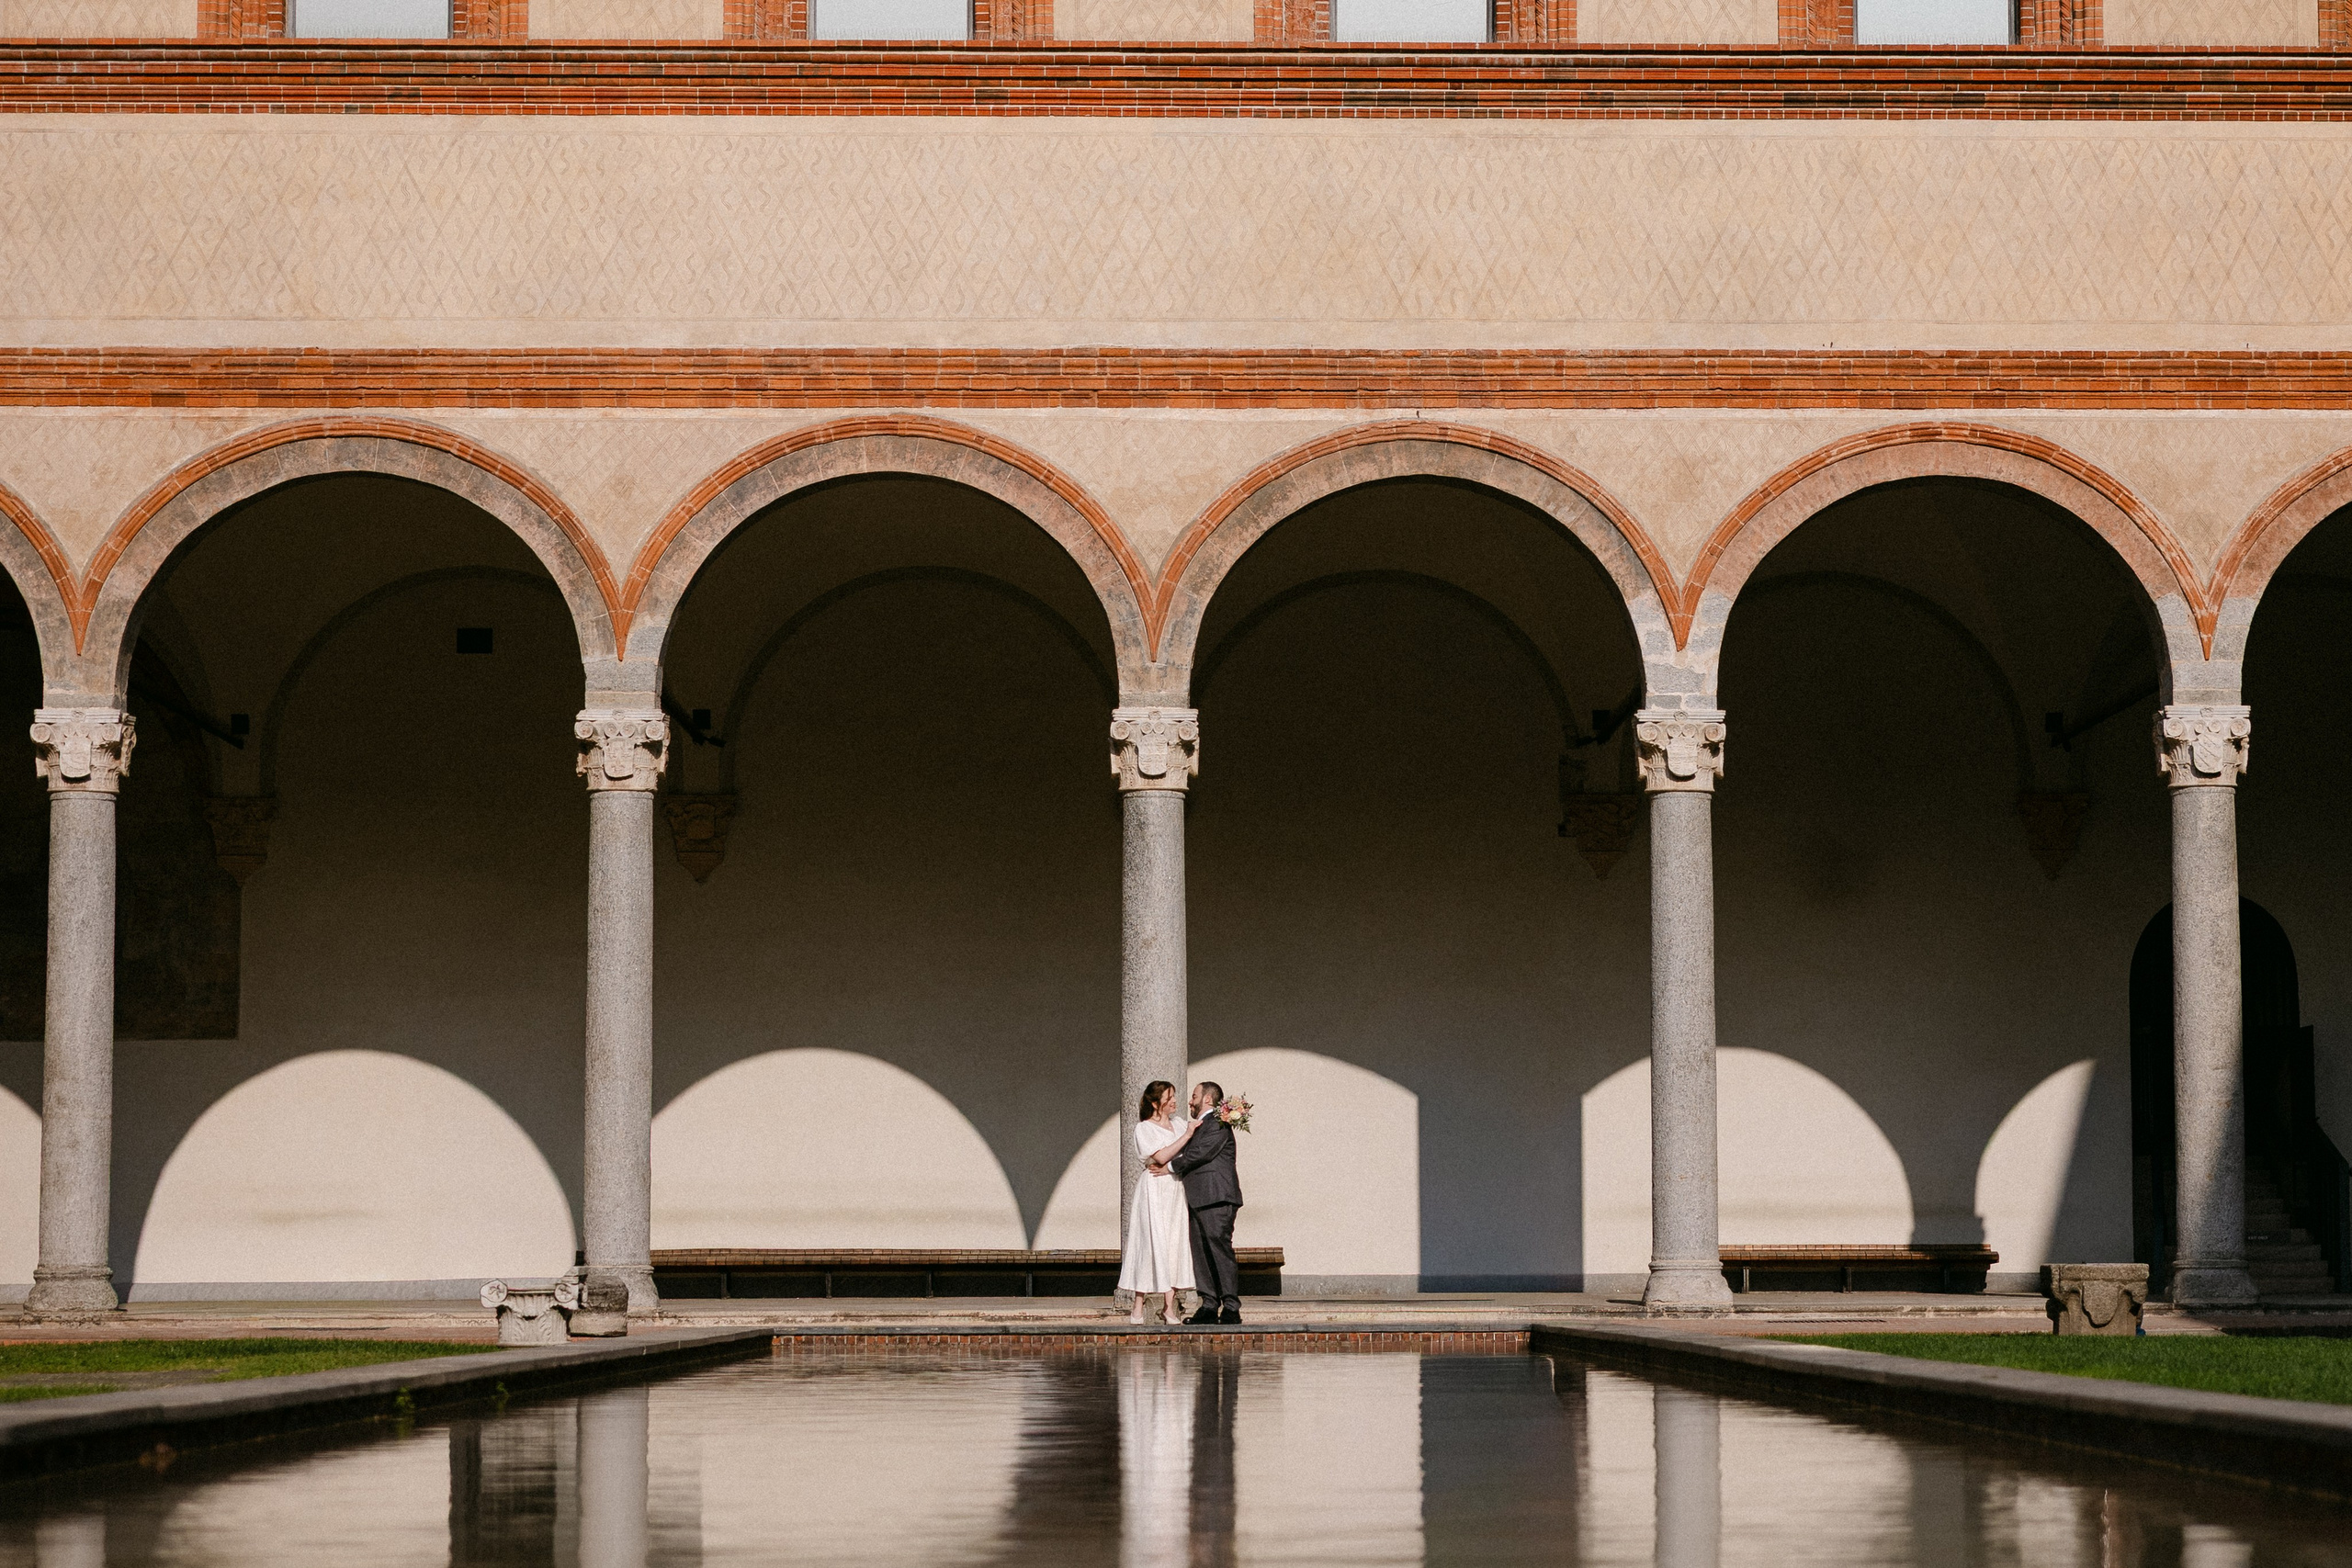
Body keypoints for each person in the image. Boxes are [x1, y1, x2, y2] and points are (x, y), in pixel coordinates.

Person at [1161, 1080, 1243, 1325]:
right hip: (1197, 1198)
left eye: (1194, 1096)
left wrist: (1170, 1166)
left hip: (1217, 1196)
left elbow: (1200, 1153)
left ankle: (1231, 1307)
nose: (1190, 1101)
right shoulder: (1198, 1126)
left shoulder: (1218, 1123)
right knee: (1200, 1252)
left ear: (1207, 1099)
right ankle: (1208, 1304)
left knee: (1219, 1248)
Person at [1117, 1079, 1197, 1324]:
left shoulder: (1179, 1123)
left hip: (1175, 1187)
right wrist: (1187, 1135)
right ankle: (1138, 1305)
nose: (1174, 1101)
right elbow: (1160, 1156)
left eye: (1174, 1096)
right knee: (1151, 1242)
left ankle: (1168, 1307)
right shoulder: (1144, 1128)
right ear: (1155, 1103)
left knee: (1174, 1242)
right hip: (1154, 1188)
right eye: (1168, 1097)